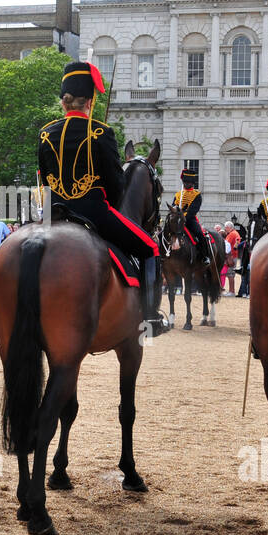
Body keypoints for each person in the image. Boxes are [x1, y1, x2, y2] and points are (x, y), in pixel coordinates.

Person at [37, 61, 165, 335]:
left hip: (52, 216)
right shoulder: (102, 133)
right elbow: (116, 185)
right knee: (151, 249)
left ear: (64, 101)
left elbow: (43, 180)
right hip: (94, 214)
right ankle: (152, 320)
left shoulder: (45, 133)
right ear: (90, 102)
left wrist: (46, 215)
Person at [173, 168, 214, 266]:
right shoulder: (178, 194)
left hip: (189, 220)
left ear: (192, 183)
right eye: (185, 182)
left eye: (189, 182)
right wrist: (175, 211)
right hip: (177, 220)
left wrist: (183, 216)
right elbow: (173, 206)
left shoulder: (196, 195)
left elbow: (193, 210)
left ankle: (205, 256)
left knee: (200, 234)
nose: (187, 184)